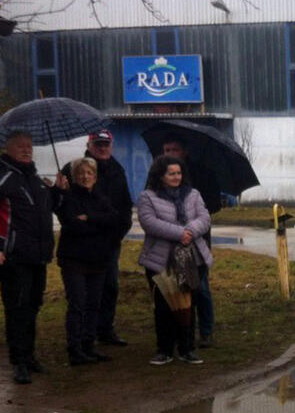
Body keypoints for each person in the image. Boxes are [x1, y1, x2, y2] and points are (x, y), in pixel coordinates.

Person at [137, 155, 213, 366]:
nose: (176, 177)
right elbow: (149, 223)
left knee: (188, 304)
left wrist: (190, 231)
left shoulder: (193, 194)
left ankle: (187, 348)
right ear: (161, 175)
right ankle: (164, 349)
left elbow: (204, 218)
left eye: (178, 173)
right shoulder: (147, 197)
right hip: (160, 260)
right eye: (171, 173)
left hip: (191, 258)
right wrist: (180, 233)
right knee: (164, 305)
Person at [61, 130, 133, 347]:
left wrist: (116, 232)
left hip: (108, 243)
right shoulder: (72, 168)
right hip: (79, 249)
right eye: (98, 144)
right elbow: (66, 212)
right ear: (89, 144)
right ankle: (80, 338)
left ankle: (104, 330)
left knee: (109, 288)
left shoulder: (117, 170)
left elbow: (122, 209)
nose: (102, 148)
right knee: (80, 297)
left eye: (106, 144)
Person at [0, 132, 60, 384]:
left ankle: (30, 355)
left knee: (34, 306)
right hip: (14, 256)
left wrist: (57, 191)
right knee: (17, 309)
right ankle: (18, 362)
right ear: (8, 149)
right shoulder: (4, 178)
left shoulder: (34, 178)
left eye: (29, 146)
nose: (26, 150)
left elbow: (46, 211)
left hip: (38, 255)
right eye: (20, 147)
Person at [55, 157, 119, 366]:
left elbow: (113, 220)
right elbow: (73, 225)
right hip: (74, 260)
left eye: (89, 173)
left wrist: (90, 218)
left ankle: (89, 345)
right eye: (81, 173)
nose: (85, 177)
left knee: (94, 304)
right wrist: (97, 223)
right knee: (78, 304)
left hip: (98, 260)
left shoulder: (100, 197)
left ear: (95, 176)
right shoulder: (68, 198)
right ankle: (75, 348)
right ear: (74, 177)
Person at [161, 137, 219, 347]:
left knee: (201, 287)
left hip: (198, 239)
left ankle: (206, 331)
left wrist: (192, 223)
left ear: (183, 152)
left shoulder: (202, 174)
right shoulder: (158, 178)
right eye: (166, 149)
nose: (169, 153)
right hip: (172, 241)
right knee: (178, 287)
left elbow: (212, 206)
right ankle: (184, 332)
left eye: (174, 148)